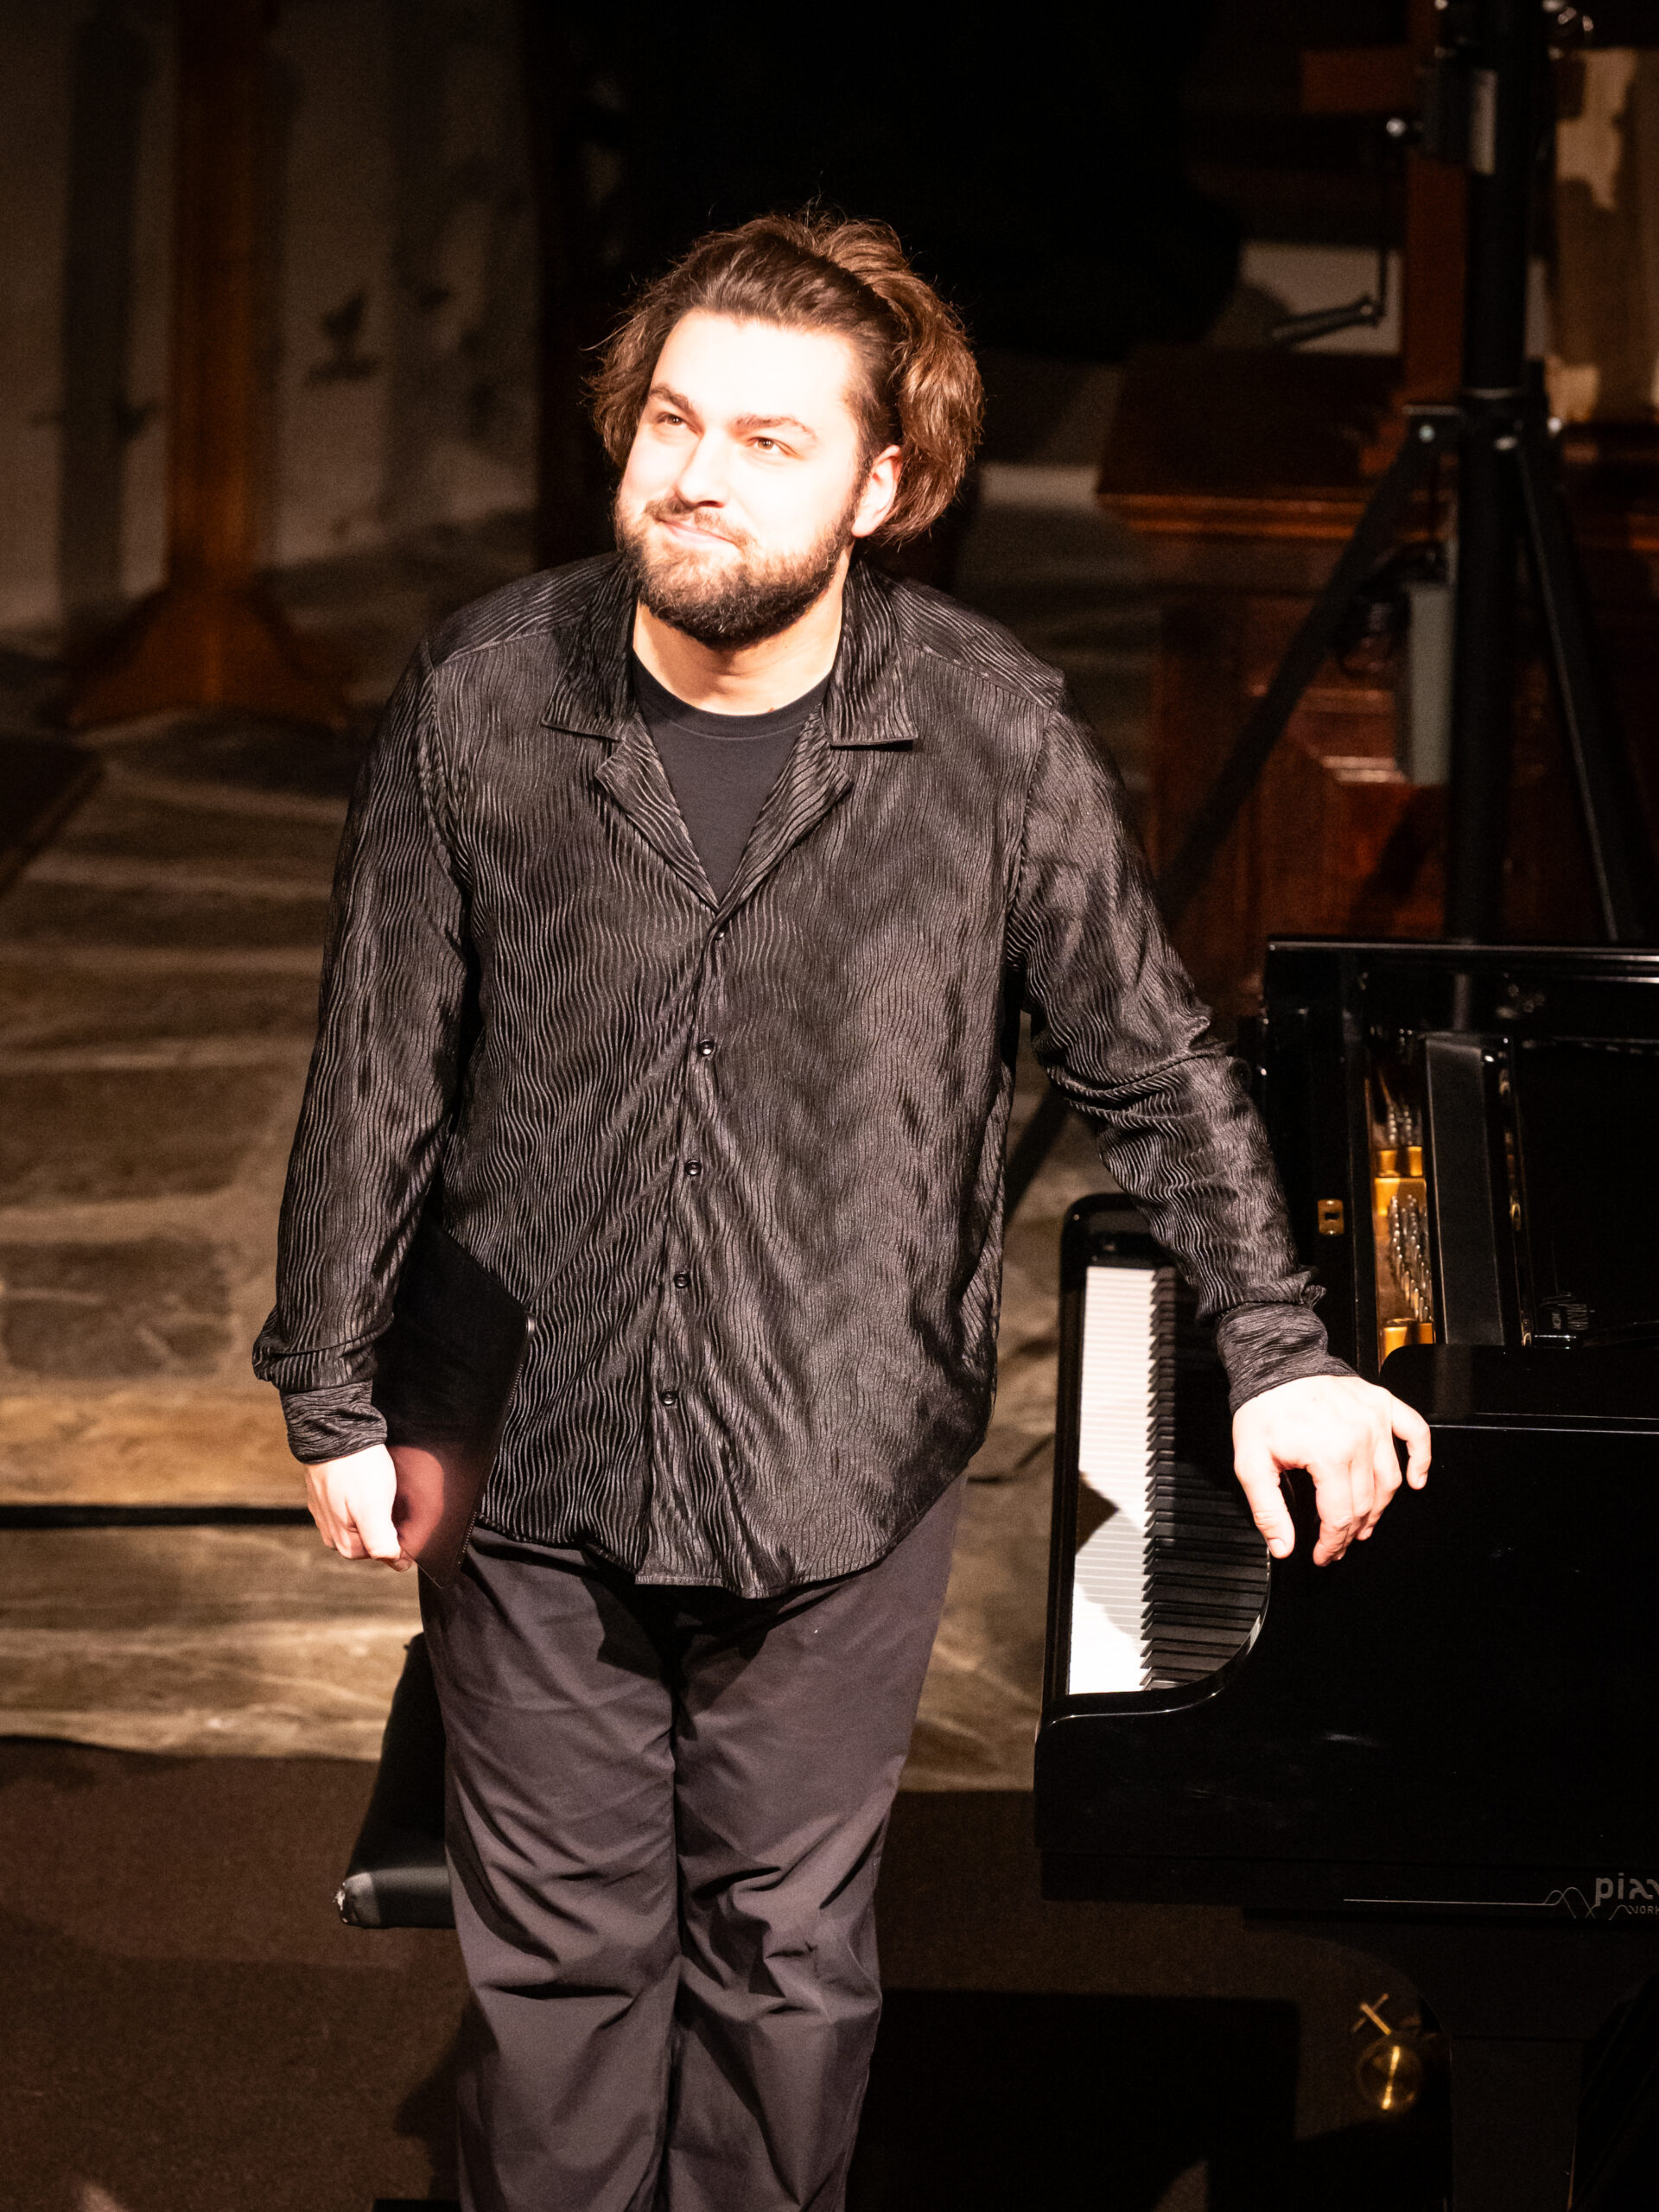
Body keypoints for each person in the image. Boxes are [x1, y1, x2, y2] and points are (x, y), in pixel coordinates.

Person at [254, 213, 1430, 2212]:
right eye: (672, 421)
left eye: (773, 439)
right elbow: (377, 1059)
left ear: (889, 485)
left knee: (789, 1958)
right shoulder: (482, 694)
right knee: (559, 1968)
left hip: (839, 1441)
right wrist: (332, 1387)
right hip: (529, 1435)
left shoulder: (993, 734)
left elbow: (1150, 1058)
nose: (698, 473)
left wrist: (1285, 1352)